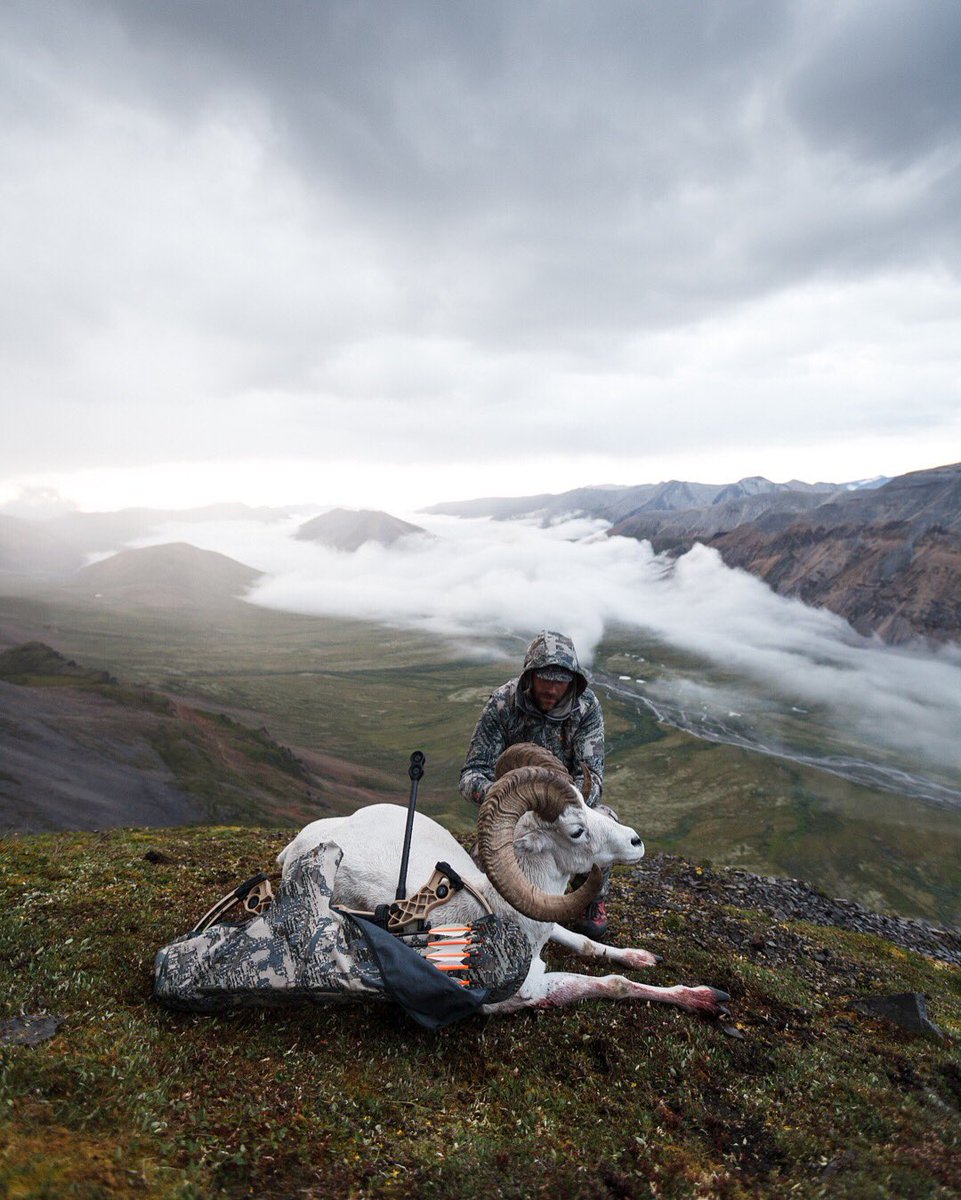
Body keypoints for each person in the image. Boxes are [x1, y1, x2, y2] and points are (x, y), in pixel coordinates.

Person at [459, 630, 613, 938]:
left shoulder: (586, 708)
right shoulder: (503, 704)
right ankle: (504, 907)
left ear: (573, 680)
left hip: (568, 809)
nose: (553, 688)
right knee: (481, 860)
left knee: (606, 824)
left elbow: (593, 777)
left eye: (561, 680)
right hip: (517, 815)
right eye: (545, 678)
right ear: (530, 675)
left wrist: (563, 799)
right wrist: (507, 797)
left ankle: (591, 898)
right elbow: (471, 774)